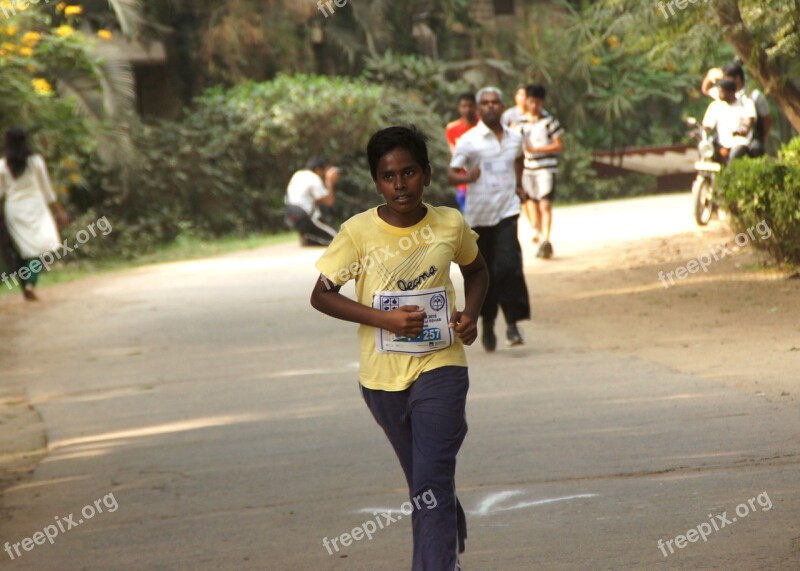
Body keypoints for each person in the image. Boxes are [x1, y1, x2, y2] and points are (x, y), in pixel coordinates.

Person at [310, 125, 489, 571]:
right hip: (381, 380)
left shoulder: (449, 223)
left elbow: (479, 271)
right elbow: (321, 295)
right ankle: (446, 522)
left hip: (442, 368)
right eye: (388, 176)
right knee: (426, 480)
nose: (399, 184)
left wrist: (471, 315)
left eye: (409, 172)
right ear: (376, 182)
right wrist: (383, 319)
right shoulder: (357, 234)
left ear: (427, 175)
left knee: (429, 481)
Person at [449, 86, 531, 351]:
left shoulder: (515, 137)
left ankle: (512, 324)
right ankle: (486, 321)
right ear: (477, 107)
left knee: (509, 267)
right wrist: (467, 178)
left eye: (495, 102)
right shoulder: (469, 140)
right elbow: (452, 174)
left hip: (507, 211)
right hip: (479, 217)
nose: (491, 107)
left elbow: (519, 159)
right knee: (485, 274)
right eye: (485, 103)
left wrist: (519, 185)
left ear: (503, 105)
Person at [0, 127, 67, 301]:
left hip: (14, 209)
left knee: (23, 249)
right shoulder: (36, 161)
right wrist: (59, 211)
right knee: (43, 246)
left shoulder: (2, 165)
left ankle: (26, 288)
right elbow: (47, 189)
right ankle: (30, 283)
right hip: (36, 207)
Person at [518, 84, 564, 259]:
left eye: (538, 102)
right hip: (528, 169)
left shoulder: (550, 122)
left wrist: (537, 150)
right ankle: (537, 231)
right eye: (531, 101)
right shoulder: (520, 123)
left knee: (545, 204)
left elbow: (559, 145)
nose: (534, 105)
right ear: (526, 101)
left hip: (546, 168)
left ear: (542, 102)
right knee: (532, 203)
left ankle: (546, 239)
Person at [284, 156, 339, 246]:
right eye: (324, 170)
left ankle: (308, 238)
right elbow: (329, 202)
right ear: (318, 169)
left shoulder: (298, 174)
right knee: (338, 239)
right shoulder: (314, 178)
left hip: (289, 214)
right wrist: (329, 181)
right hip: (304, 215)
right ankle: (308, 239)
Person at [702, 79, 756, 163]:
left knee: (735, 154)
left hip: (739, 143)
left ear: (730, 92)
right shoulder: (716, 106)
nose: (719, 94)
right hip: (721, 145)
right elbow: (707, 126)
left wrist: (740, 132)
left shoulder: (745, 104)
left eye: (721, 91)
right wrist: (701, 132)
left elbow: (747, 126)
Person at [723, 64, 771, 157]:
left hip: (750, 140)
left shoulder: (754, 95)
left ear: (737, 78)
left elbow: (767, 120)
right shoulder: (725, 96)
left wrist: (761, 138)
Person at [445, 92, 479, 212]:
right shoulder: (452, 128)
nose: (467, 109)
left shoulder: (483, 125)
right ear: (459, 108)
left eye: (470, 106)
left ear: (476, 106)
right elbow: (454, 153)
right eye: (464, 106)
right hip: (464, 179)